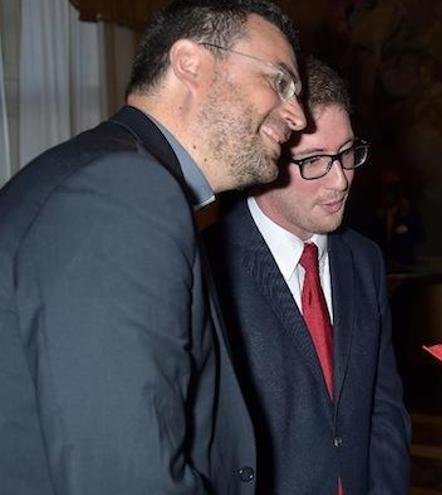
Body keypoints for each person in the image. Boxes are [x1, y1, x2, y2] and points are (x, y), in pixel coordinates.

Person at [0, 1, 307, 493]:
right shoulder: (124, 189)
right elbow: (123, 477)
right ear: (190, 63)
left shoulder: (105, 173)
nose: (298, 115)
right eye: (280, 82)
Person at [205, 57, 410, 495]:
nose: (340, 180)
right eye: (315, 160)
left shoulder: (364, 258)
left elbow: (383, 407)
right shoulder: (205, 268)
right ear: (265, 157)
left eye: (349, 153)